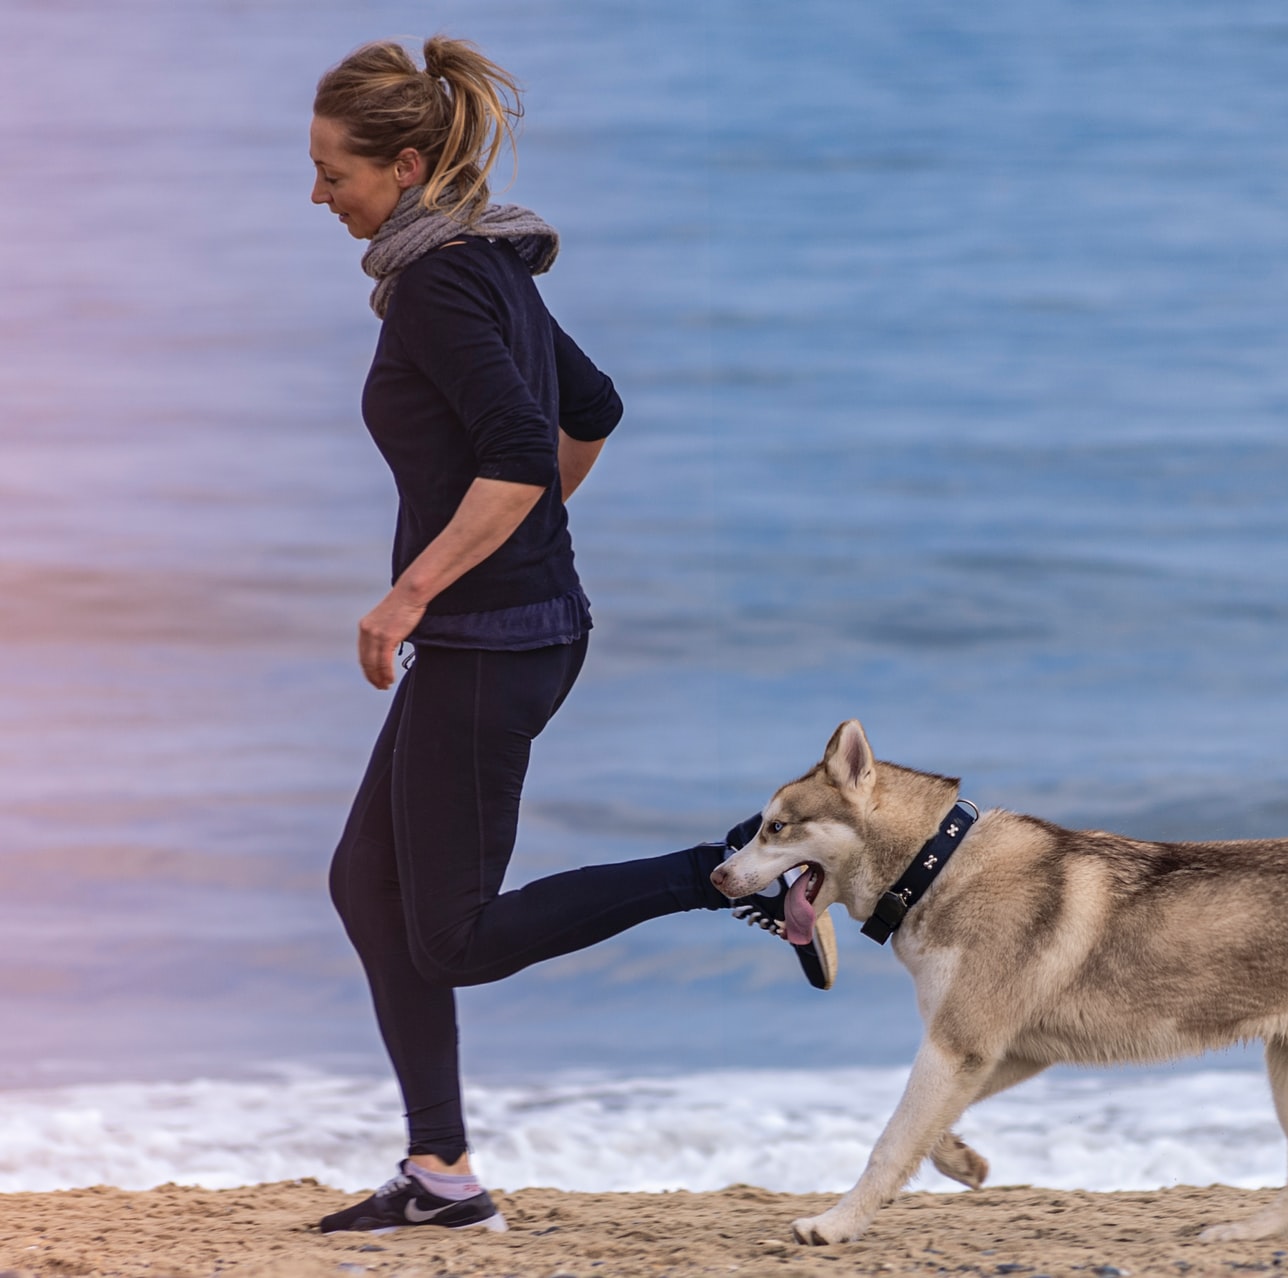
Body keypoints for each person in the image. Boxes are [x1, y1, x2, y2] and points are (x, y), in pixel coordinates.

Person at [309, 35, 834, 1236]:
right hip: (515, 629)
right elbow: (586, 413)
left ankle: (738, 870)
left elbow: (513, 456)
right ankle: (440, 1173)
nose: (318, 193)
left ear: (399, 165)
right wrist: (520, 538)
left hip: (496, 646)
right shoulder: (480, 262)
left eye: (331, 170)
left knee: (453, 940)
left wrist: (415, 591)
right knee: (366, 885)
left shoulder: (447, 282)